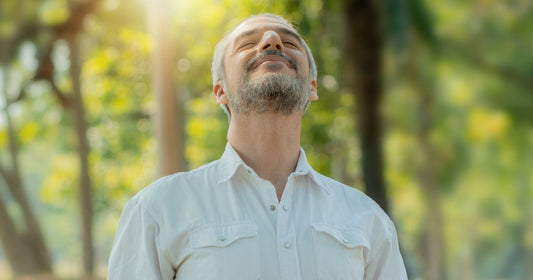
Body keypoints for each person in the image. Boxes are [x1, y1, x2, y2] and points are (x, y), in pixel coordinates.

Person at [108, 13, 407, 280]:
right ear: (220, 90)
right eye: (246, 43)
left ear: (312, 87)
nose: (272, 41)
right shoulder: (157, 210)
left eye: (290, 43)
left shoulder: (367, 220)